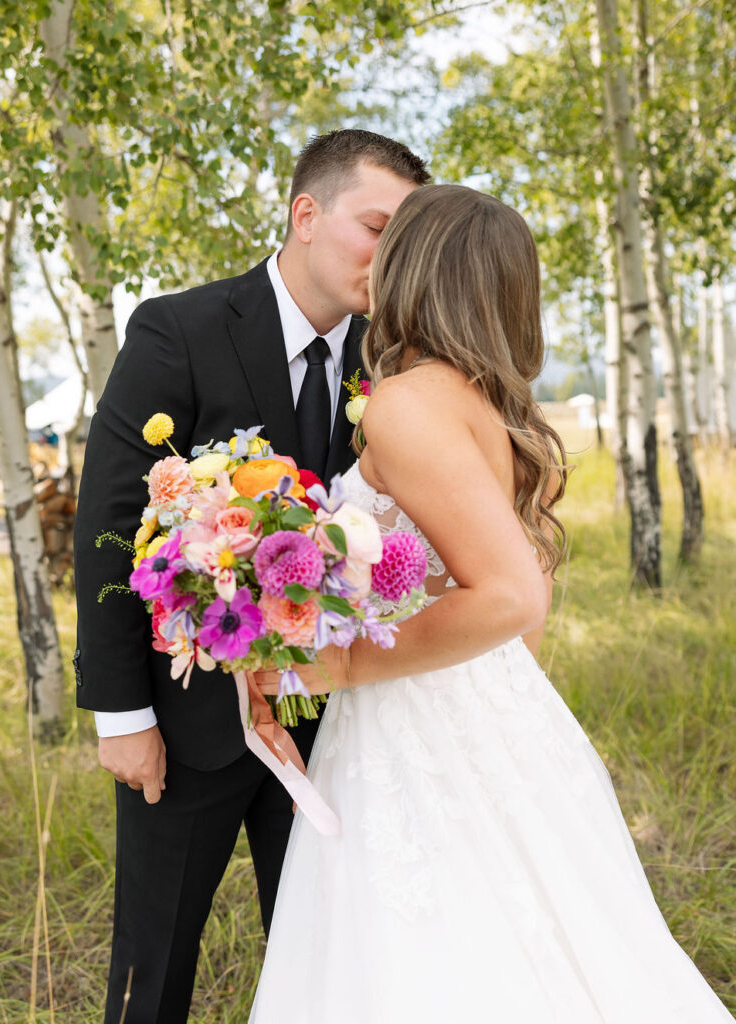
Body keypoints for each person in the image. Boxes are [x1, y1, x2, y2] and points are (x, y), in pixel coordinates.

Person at [248, 185, 733, 1023]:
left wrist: (345, 663)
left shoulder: (405, 404)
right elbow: (527, 599)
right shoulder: (487, 407)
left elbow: (507, 592)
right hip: (484, 700)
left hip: (413, 711)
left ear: (413, 271)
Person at [71, 129, 430, 1024]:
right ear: (306, 214)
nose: (391, 259)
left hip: (328, 723)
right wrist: (123, 716)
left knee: (323, 962)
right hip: (186, 727)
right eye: (377, 228)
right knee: (151, 971)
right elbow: (109, 528)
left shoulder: (390, 363)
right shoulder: (179, 329)